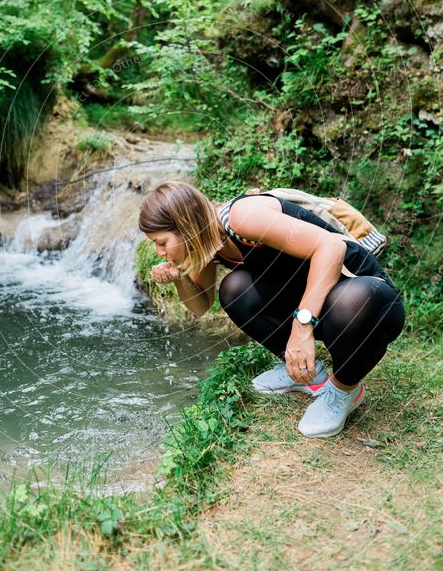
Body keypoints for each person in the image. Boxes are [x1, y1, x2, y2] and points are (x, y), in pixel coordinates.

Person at [138, 181, 406, 439]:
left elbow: (331, 246)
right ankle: (307, 375)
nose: (159, 252)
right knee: (235, 289)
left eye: (162, 242)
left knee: (353, 300)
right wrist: (179, 279)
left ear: (186, 226)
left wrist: (302, 327)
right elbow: (200, 307)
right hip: (319, 305)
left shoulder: (242, 217)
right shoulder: (211, 243)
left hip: (367, 303)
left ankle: (343, 390)